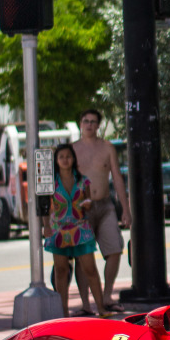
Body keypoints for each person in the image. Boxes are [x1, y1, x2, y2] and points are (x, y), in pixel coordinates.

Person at [72, 108, 130, 313]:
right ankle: (86, 304)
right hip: (81, 209)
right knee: (83, 255)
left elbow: (117, 177)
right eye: (85, 121)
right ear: (80, 123)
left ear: (98, 125)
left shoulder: (107, 148)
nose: (89, 125)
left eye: (93, 122)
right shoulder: (72, 150)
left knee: (114, 249)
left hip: (105, 205)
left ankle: (106, 296)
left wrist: (126, 208)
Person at [43, 143, 108, 318]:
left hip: (80, 229)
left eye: (68, 156)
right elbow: (45, 206)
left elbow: (88, 202)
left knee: (90, 269)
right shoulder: (51, 182)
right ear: (56, 161)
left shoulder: (83, 180)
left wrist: (88, 204)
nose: (65, 160)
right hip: (58, 230)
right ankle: (63, 311)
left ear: (73, 159)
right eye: (61, 157)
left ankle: (101, 308)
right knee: (61, 270)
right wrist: (46, 226)